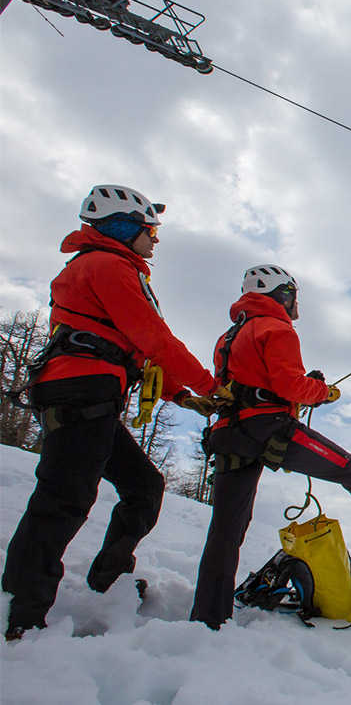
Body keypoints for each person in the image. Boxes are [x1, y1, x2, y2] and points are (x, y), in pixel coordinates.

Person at [3, 185, 226, 641]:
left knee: (143, 486)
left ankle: (108, 577)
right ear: (124, 227)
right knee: (63, 499)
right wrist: (210, 386)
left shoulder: (103, 267)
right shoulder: (107, 266)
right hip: (82, 392)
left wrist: (180, 396)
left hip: (88, 390)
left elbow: (119, 345)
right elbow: (152, 337)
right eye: (150, 230)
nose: (155, 240)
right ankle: (21, 613)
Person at [189, 264, 351, 630]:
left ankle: (207, 618)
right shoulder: (277, 329)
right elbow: (291, 388)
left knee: (226, 530)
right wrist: (323, 392)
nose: (297, 305)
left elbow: (253, 382)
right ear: (282, 294)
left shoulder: (229, 336)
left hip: (230, 432)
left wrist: (301, 388)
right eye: (294, 295)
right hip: (270, 428)